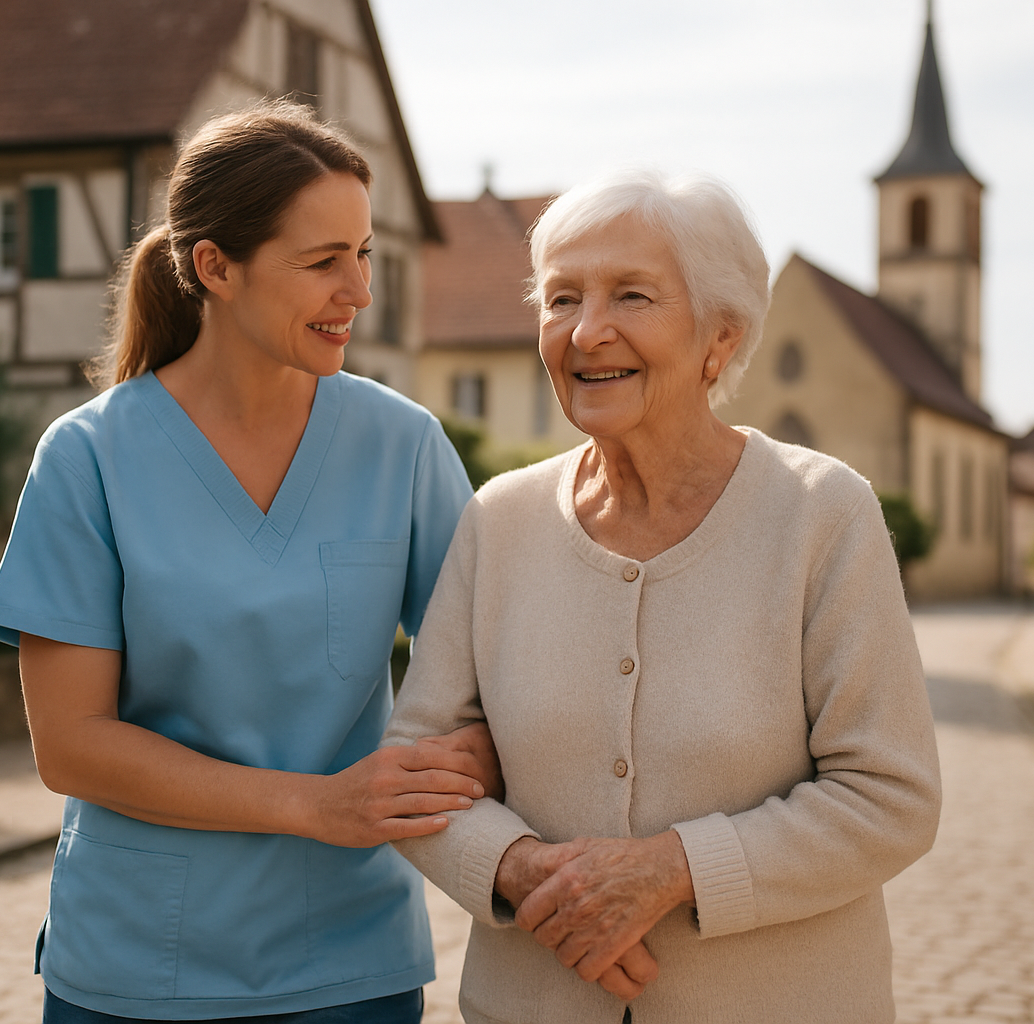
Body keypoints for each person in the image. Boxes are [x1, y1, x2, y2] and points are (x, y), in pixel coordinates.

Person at [383, 169, 943, 1024]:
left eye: (632, 297)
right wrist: (526, 871)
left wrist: (669, 872)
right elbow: (416, 777)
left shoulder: (822, 513)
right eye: (562, 298)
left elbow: (889, 796)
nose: (587, 331)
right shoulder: (499, 521)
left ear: (720, 338)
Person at [0, 101, 496, 1024]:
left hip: (352, 961)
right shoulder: (89, 457)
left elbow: (493, 683)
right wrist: (317, 806)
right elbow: (70, 743)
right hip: (138, 966)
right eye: (322, 262)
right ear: (215, 267)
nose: (360, 291)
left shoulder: (404, 448)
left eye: (364, 254)